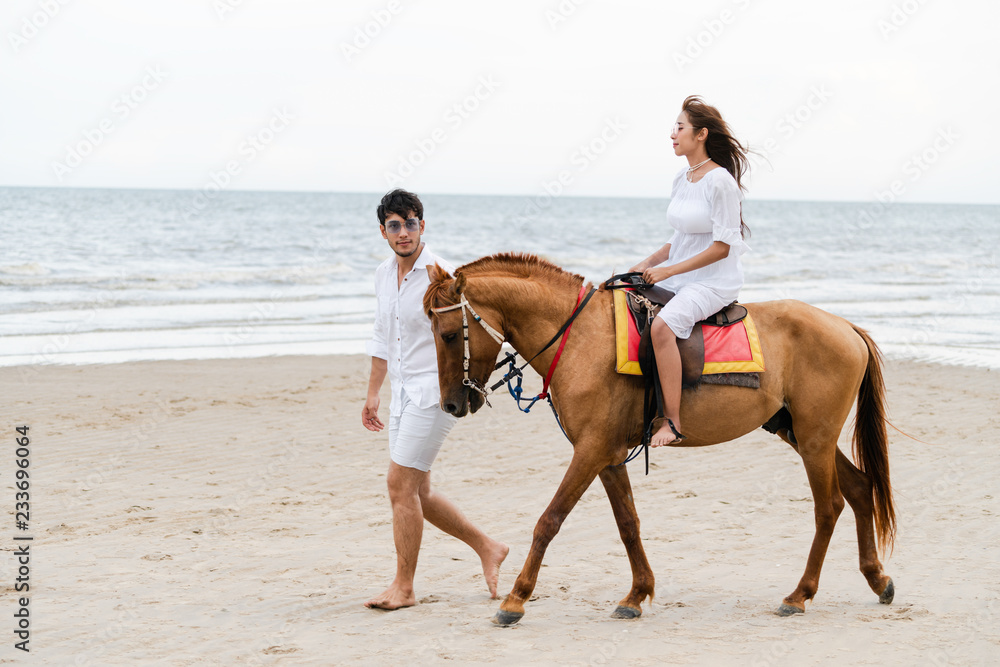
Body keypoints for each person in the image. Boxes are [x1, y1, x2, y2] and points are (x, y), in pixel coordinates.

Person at [362, 188, 508, 610]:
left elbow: (465, 336)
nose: (403, 232)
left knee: (398, 485)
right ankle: (488, 546)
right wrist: (373, 392)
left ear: (422, 226)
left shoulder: (439, 276)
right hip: (401, 391)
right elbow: (382, 336)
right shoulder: (381, 274)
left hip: (433, 391)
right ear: (383, 231)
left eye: (410, 223)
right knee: (419, 491)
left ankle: (404, 588)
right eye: (394, 225)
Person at [629, 95, 751, 448]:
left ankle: (672, 421)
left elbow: (722, 246)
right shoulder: (683, 178)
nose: (673, 134)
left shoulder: (721, 182)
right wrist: (647, 264)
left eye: (679, 127)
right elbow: (680, 236)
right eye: (674, 127)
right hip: (680, 275)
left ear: (701, 134)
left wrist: (668, 272)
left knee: (664, 327)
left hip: (714, 282)